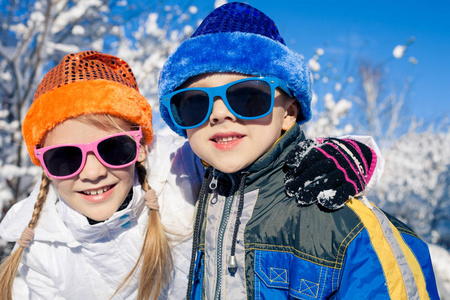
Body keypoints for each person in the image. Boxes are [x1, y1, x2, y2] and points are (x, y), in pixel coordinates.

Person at [158, 2, 439, 299]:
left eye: (247, 97)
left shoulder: (346, 227)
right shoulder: (187, 195)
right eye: (195, 103)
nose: (219, 115)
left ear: (289, 113)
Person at [0, 51, 202, 300]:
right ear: (44, 165)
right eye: (65, 158)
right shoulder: (42, 249)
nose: (93, 173)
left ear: (140, 147)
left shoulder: (183, 179)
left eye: (114, 148)